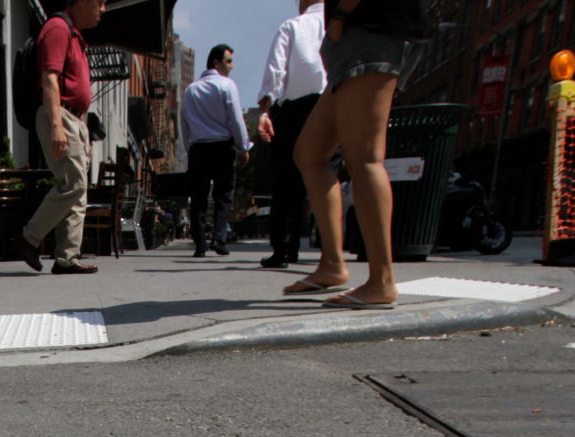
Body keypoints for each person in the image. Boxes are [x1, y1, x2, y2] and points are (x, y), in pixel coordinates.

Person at [285, 0, 428, 308]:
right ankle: (333, 264)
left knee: (364, 157)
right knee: (309, 153)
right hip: (360, 34)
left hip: (371, 31)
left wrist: (338, 16)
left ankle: (382, 281)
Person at [18, 0, 106, 276]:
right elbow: (49, 80)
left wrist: (84, 133)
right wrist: (57, 126)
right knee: (74, 184)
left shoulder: (76, 36)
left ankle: (67, 257)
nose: (103, 9)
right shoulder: (58, 28)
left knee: (77, 191)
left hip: (75, 118)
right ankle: (29, 237)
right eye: (99, 2)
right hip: (60, 114)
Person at [256, 0, 327, 270]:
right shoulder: (339, 27)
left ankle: (284, 250)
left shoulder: (293, 26)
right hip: (332, 105)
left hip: (295, 112)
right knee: (324, 177)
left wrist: (265, 111)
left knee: (286, 182)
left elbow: (276, 70)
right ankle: (331, 252)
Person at [181, 45, 252, 257]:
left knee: (198, 198)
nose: (232, 66)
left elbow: (184, 124)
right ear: (216, 62)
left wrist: (189, 149)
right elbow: (236, 119)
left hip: (198, 149)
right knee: (223, 196)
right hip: (222, 148)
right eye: (228, 61)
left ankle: (200, 244)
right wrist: (243, 147)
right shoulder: (227, 85)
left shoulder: (191, 90)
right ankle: (219, 239)